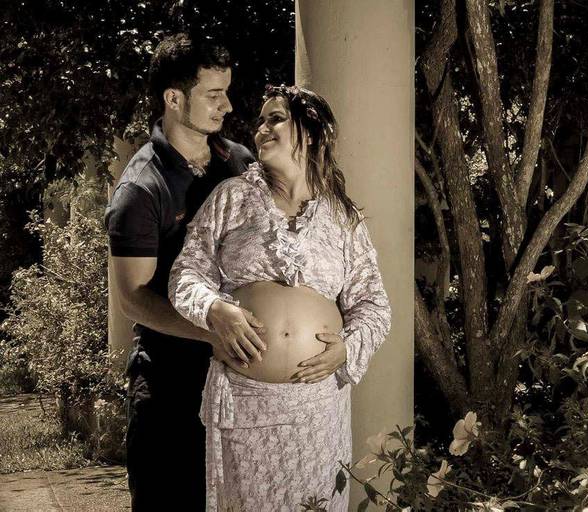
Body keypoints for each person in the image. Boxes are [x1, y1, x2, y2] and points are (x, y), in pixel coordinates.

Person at [169, 84, 392, 511]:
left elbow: (373, 305)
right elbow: (186, 274)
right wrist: (215, 309)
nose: (261, 129)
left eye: (275, 119)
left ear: (311, 131)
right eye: (260, 121)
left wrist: (347, 348)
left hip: (317, 409)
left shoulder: (342, 216)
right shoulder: (232, 197)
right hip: (245, 402)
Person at [104, 34, 264, 511]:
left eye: (226, 92)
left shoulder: (241, 162)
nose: (227, 106)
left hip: (238, 381)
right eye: (213, 95)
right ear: (174, 99)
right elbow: (132, 298)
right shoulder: (140, 188)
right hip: (168, 388)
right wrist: (211, 331)